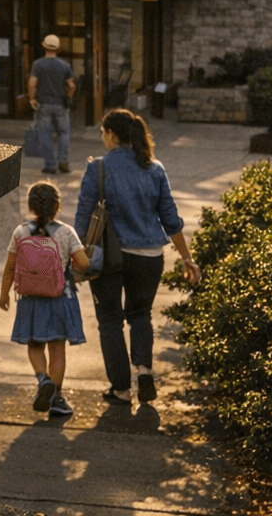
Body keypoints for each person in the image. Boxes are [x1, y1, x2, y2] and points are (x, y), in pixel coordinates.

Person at [72, 108, 202, 407]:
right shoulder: (154, 168)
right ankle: (144, 371)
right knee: (140, 315)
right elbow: (170, 219)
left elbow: (82, 218)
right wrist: (186, 258)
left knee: (110, 320)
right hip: (149, 256)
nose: (102, 138)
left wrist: (76, 256)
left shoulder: (99, 169)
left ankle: (121, 389)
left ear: (112, 135)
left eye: (102, 133)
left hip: (110, 258)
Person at [0, 180, 89, 419]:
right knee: (57, 349)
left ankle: (43, 379)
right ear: (57, 206)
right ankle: (56, 397)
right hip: (59, 297)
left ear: (30, 206)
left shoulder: (20, 232)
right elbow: (83, 262)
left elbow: (10, 267)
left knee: (35, 345)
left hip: (30, 298)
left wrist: (4, 294)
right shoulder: (65, 232)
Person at [27, 33, 76, 173]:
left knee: (45, 134)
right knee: (64, 133)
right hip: (61, 104)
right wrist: (68, 97)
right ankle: (63, 161)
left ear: (44, 46)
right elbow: (71, 85)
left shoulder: (38, 64)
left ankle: (50, 165)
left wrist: (32, 99)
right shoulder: (64, 65)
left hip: (44, 104)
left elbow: (32, 84)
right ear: (58, 48)